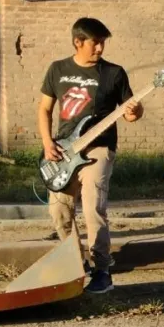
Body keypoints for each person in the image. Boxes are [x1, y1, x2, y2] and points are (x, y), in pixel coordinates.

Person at [37, 17, 143, 294]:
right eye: (95, 42)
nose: (100, 48)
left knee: (94, 206)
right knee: (59, 209)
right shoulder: (57, 69)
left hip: (99, 148)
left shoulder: (114, 73)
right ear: (78, 42)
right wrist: (48, 142)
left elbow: (131, 112)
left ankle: (102, 269)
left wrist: (135, 112)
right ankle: (74, 261)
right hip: (63, 150)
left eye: (103, 42)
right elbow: (44, 110)